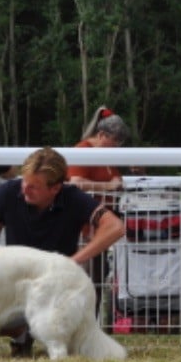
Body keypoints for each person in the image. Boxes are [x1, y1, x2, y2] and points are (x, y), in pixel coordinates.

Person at [0, 147, 125, 357]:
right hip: (15, 294)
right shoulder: (8, 193)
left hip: (54, 291)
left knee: (58, 328)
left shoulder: (73, 198)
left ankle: (54, 337)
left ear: (56, 188)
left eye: (34, 187)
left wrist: (74, 261)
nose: (24, 190)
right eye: (24, 182)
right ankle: (22, 333)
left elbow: (115, 226)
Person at [67, 106, 130, 317]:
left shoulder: (105, 156)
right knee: (83, 281)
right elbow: (75, 183)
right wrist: (109, 187)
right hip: (84, 229)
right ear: (101, 135)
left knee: (96, 279)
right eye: (115, 143)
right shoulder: (83, 151)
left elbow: (113, 180)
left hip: (100, 229)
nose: (117, 149)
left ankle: (91, 324)